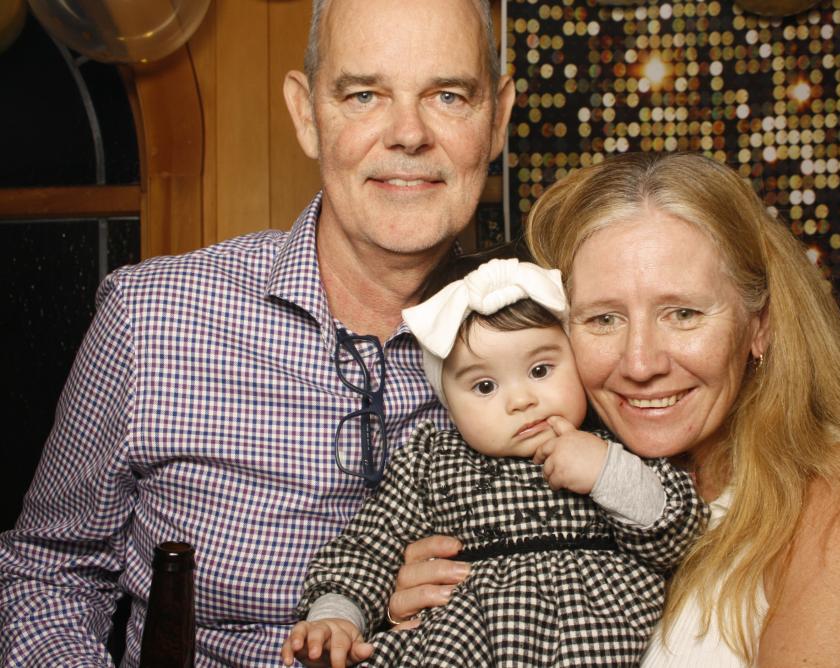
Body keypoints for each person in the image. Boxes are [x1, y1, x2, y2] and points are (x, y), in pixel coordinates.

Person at [0, 0, 513, 665]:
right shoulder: (152, 316)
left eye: (448, 96)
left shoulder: (554, 343)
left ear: (497, 118)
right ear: (307, 114)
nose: (408, 135)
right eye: (364, 95)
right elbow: (45, 573)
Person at [391, 152, 840, 665]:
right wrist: (450, 612)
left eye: (684, 314)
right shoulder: (569, 486)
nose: (641, 363)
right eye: (603, 319)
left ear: (759, 326)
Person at [280, 256, 708, 667]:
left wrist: (606, 472)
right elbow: (368, 549)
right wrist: (336, 618)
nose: (521, 400)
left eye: (540, 370)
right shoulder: (431, 462)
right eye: (484, 386)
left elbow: (679, 536)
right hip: (466, 641)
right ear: (448, 403)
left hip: (595, 640)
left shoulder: (612, 445)